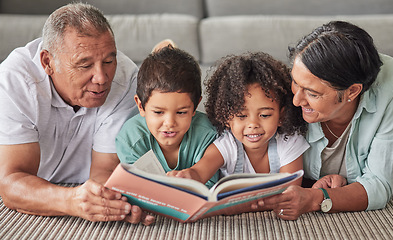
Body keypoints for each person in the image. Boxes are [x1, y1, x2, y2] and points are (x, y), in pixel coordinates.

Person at [0, 3, 154, 225]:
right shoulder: (14, 81)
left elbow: (105, 169)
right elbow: (11, 183)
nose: (102, 77)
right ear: (47, 62)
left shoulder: (126, 78)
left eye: (109, 61)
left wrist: (114, 201)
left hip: (86, 181)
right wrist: (71, 200)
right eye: (84, 65)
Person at [257, 21, 393, 220]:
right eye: (295, 82)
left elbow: (379, 184)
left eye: (313, 94)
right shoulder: (296, 89)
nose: (296, 100)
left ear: (352, 91)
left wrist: (315, 198)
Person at [168, 52, 309, 188]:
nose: (253, 124)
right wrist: (187, 176)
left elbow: (289, 190)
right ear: (226, 117)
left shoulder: (290, 143)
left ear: (281, 116)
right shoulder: (226, 145)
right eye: (242, 116)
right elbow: (199, 172)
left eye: (265, 115)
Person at [115, 46, 220, 188]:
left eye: (181, 112)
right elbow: (137, 188)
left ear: (195, 107)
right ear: (141, 106)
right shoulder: (131, 139)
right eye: (158, 112)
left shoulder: (208, 134)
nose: (170, 123)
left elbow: (210, 186)